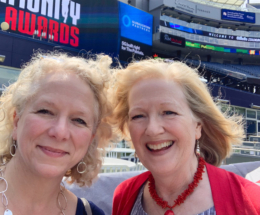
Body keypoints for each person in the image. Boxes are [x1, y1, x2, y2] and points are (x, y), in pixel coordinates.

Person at [0, 53, 114, 215]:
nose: (60, 132)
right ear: (17, 122)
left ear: (90, 139)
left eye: (79, 120)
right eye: (45, 111)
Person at [110, 58, 260, 215]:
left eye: (169, 112)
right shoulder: (124, 196)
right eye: (138, 116)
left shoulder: (251, 201)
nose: (153, 130)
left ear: (198, 125)